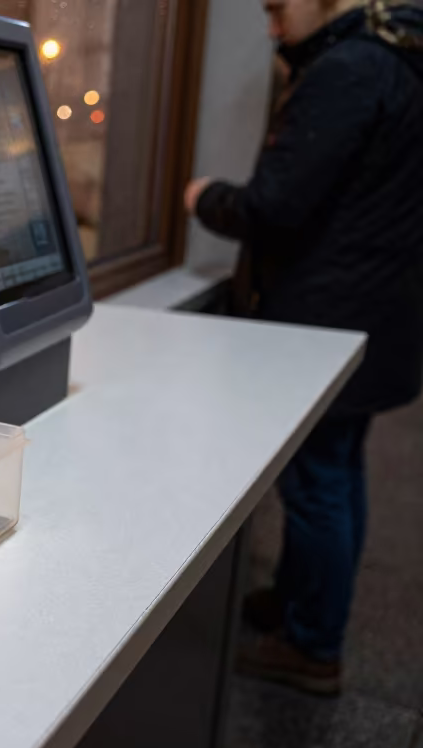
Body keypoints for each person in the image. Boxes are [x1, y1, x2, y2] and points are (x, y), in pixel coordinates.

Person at [186, 0, 423, 695]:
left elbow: (275, 206)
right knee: (336, 472)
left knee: (316, 483)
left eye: (275, 7)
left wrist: (204, 197)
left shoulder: (348, 70)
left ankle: (313, 642)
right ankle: (301, 604)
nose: (269, 27)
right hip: (374, 319)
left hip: (326, 320)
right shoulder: (400, 59)